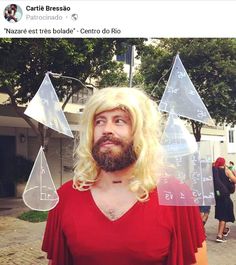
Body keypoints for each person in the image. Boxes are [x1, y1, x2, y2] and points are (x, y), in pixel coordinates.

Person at [42, 87, 207, 265]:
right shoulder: (65, 197)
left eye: (119, 121)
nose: (106, 129)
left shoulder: (176, 196)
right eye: (99, 121)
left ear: (142, 132)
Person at [213, 157, 236, 243]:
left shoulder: (214, 171)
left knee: (222, 214)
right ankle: (219, 235)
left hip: (218, 196)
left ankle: (223, 231)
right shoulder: (227, 171)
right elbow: (235, 180)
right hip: (225, 195)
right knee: (224, 215)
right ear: (223, 163)